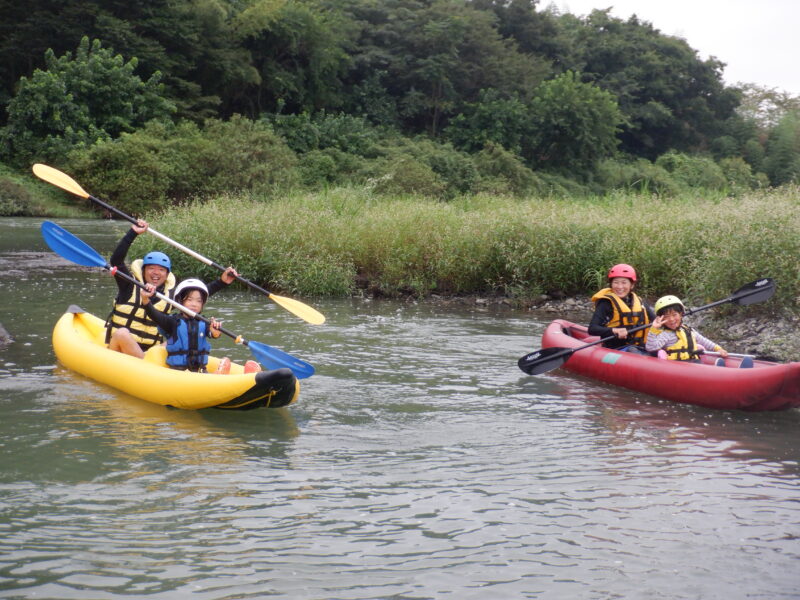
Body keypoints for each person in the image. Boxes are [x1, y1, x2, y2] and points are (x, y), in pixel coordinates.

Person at [105, 218, 237, 358]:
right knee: (122, 333)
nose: (156, 273)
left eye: (161, 270)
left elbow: (195, 295)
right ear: (143, 271)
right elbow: (116, 261)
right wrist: (133, 233)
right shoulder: (129, 285)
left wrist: (222, 282)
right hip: (119, 349)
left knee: (178, 337)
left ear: (167, 274)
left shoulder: (169, 296)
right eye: (151, 268)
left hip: (150, 352)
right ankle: (147, 367)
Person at [140, 278, 231, 374]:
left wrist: (215, 331)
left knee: (203, 372)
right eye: (189, 299)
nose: (194, 304)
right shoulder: (173, 321)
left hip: (200, 370)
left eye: (199, 301)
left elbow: (214, 334)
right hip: (178, 372)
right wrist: (145, 299)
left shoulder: (204, 322)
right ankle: (216, 376)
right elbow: (154, 315)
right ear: (180, 301)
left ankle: (216, 376)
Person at [645, 295, 753, 368]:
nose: (672, 320)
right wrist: (654, 329)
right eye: (667, 317)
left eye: (674, 315)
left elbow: (704, 341)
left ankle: (736, 370)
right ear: (661, 319)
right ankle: (721, 373)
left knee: (700, 364)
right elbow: (651, 347)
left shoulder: (687, 330)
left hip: (693, 363)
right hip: (676, 367)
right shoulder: (665, 334)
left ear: (681, 314)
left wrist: (718, 348)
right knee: (701, 367)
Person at [588, 263, 654, 354]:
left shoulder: (640, 302)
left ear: (632, 285)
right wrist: (614, 330)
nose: (620, 287)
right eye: (616, 282)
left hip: (640, 346)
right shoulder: (606, 303)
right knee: (633, 351)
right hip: (616, 349)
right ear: (611, 284)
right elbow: (592, 329)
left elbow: (656, 320)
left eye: (624, 282)